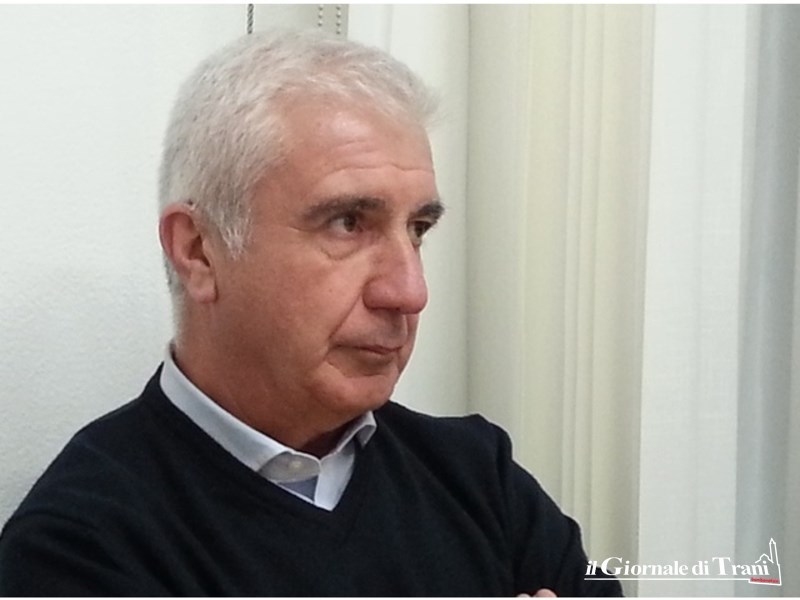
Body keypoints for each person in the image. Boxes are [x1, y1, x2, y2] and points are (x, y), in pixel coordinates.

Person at [0, 30, 621, 596]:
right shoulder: (79, 548)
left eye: (418, 229)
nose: (409, 291)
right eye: (348, 223)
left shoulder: (477, 475)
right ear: (200, 252)